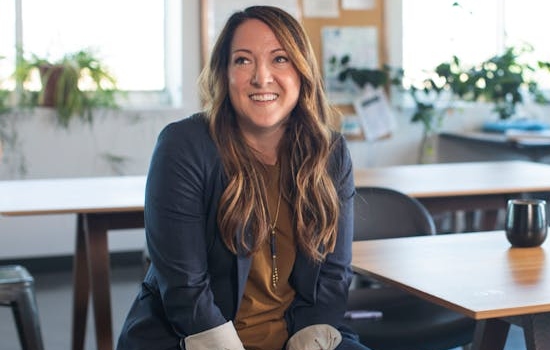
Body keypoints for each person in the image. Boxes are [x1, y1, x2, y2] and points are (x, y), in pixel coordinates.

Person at [117, 6, 369, 350]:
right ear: (225, 73)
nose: (261, 77)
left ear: (302, 71)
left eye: (280, 59)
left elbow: (334, 275)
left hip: (299, 336)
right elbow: (185, 289)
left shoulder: (330, 152)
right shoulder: (183, 146)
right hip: (197, 338)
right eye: (243, 60)